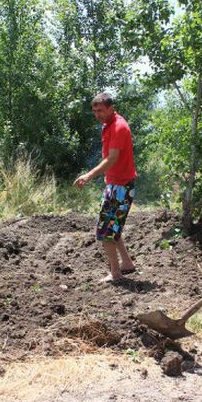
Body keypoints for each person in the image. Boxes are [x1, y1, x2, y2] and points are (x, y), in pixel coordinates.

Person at [74, 92, 138, 282]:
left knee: (105, 231)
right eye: (94, 111)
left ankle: (116, 274)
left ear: (111, 107)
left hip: (121, 187)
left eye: (101, 110)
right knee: (112, 227)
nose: (98, 114)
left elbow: (112, 159)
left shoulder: (118, 126)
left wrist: (89, 175)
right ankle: (127, 263)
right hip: (116, 185)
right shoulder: (108, 125)